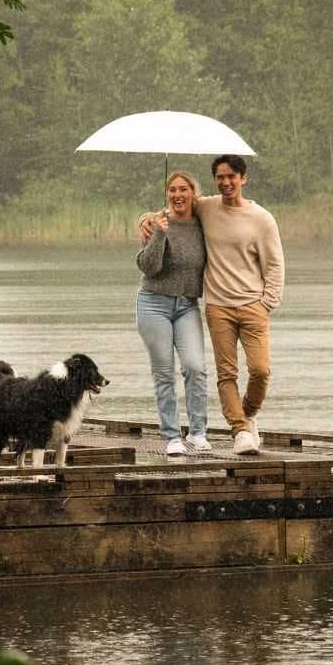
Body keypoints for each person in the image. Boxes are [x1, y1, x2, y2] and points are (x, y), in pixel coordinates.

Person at [137, 154, 284, 456]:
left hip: (220, 304)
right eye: (221, 176)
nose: (227, 182)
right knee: (186, 372)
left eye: (232, 176)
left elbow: (274, 264)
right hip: (186, 305)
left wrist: (268, 301)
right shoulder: (182, 216)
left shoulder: (238, 216)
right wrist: (149, 222)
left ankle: (223, 424)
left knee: (235, 369)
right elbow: (151, 260)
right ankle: (195, 434)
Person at [135, 170, 211, 457]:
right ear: (167, 194)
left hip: (187, 305)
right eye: (172, 190)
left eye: (183, 189)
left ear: (193, 193)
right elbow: (148, 267)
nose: (178, 194)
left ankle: (198, 432)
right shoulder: (157, 223)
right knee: (164, 373)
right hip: (153, 303)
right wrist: (158, 233)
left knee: (195, 367)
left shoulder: (202, 223)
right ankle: (171, 436)